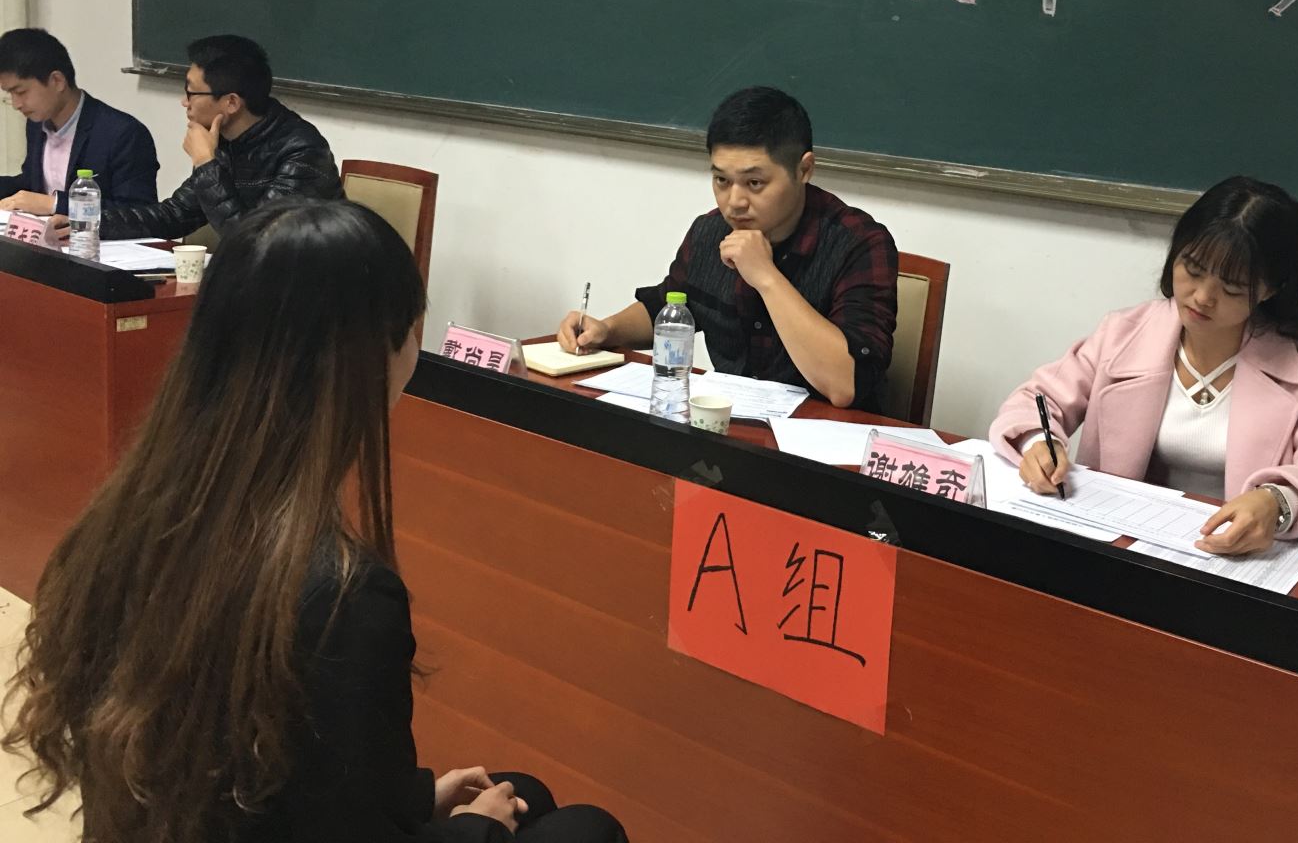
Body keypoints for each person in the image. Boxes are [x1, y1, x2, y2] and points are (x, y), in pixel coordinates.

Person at [1, 200, 628, 843]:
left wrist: (414, 800)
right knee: (584, 827)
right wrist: (472, 828)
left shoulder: (128, 518)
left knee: (525, 794)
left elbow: (285, 775)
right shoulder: (342, 593)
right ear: (383, 347)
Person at [988, 176, 1298, 555]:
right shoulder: (1126, 333)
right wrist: (1040, 443)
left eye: (1232, 288)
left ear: (1270, 288)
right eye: (1193, 269)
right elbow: (1036, 400)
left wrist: (1277, 501)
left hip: (1238, 559)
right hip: (1122, 545)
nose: (1202, 297)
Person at [556, 86, 898, 411]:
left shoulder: (859, 243)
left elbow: (845, 384)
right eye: (722, 180)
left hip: (821, 436)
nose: (734, 202)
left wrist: (766, 277)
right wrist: (607, 330)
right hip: (728, 426)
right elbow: (670, 304)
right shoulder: (709, 232)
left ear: (804, 169)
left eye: (754, 183)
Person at [97, 34, 343, 241]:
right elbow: (174, 216)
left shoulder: (302, 151)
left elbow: (257, 243)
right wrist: (90, 222)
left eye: (191, 93)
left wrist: (206, 164)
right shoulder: (225, 141)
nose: (184, 102)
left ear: (231, 103)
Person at [0, 27, 159, 217]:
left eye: (21, 92)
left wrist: (56, 204)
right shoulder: (36, 123)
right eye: (10, 94)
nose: (16, 104)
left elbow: (139, 215)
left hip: (93, 236)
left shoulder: (123, 134)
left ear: (57, 81)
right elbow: (34, 185)